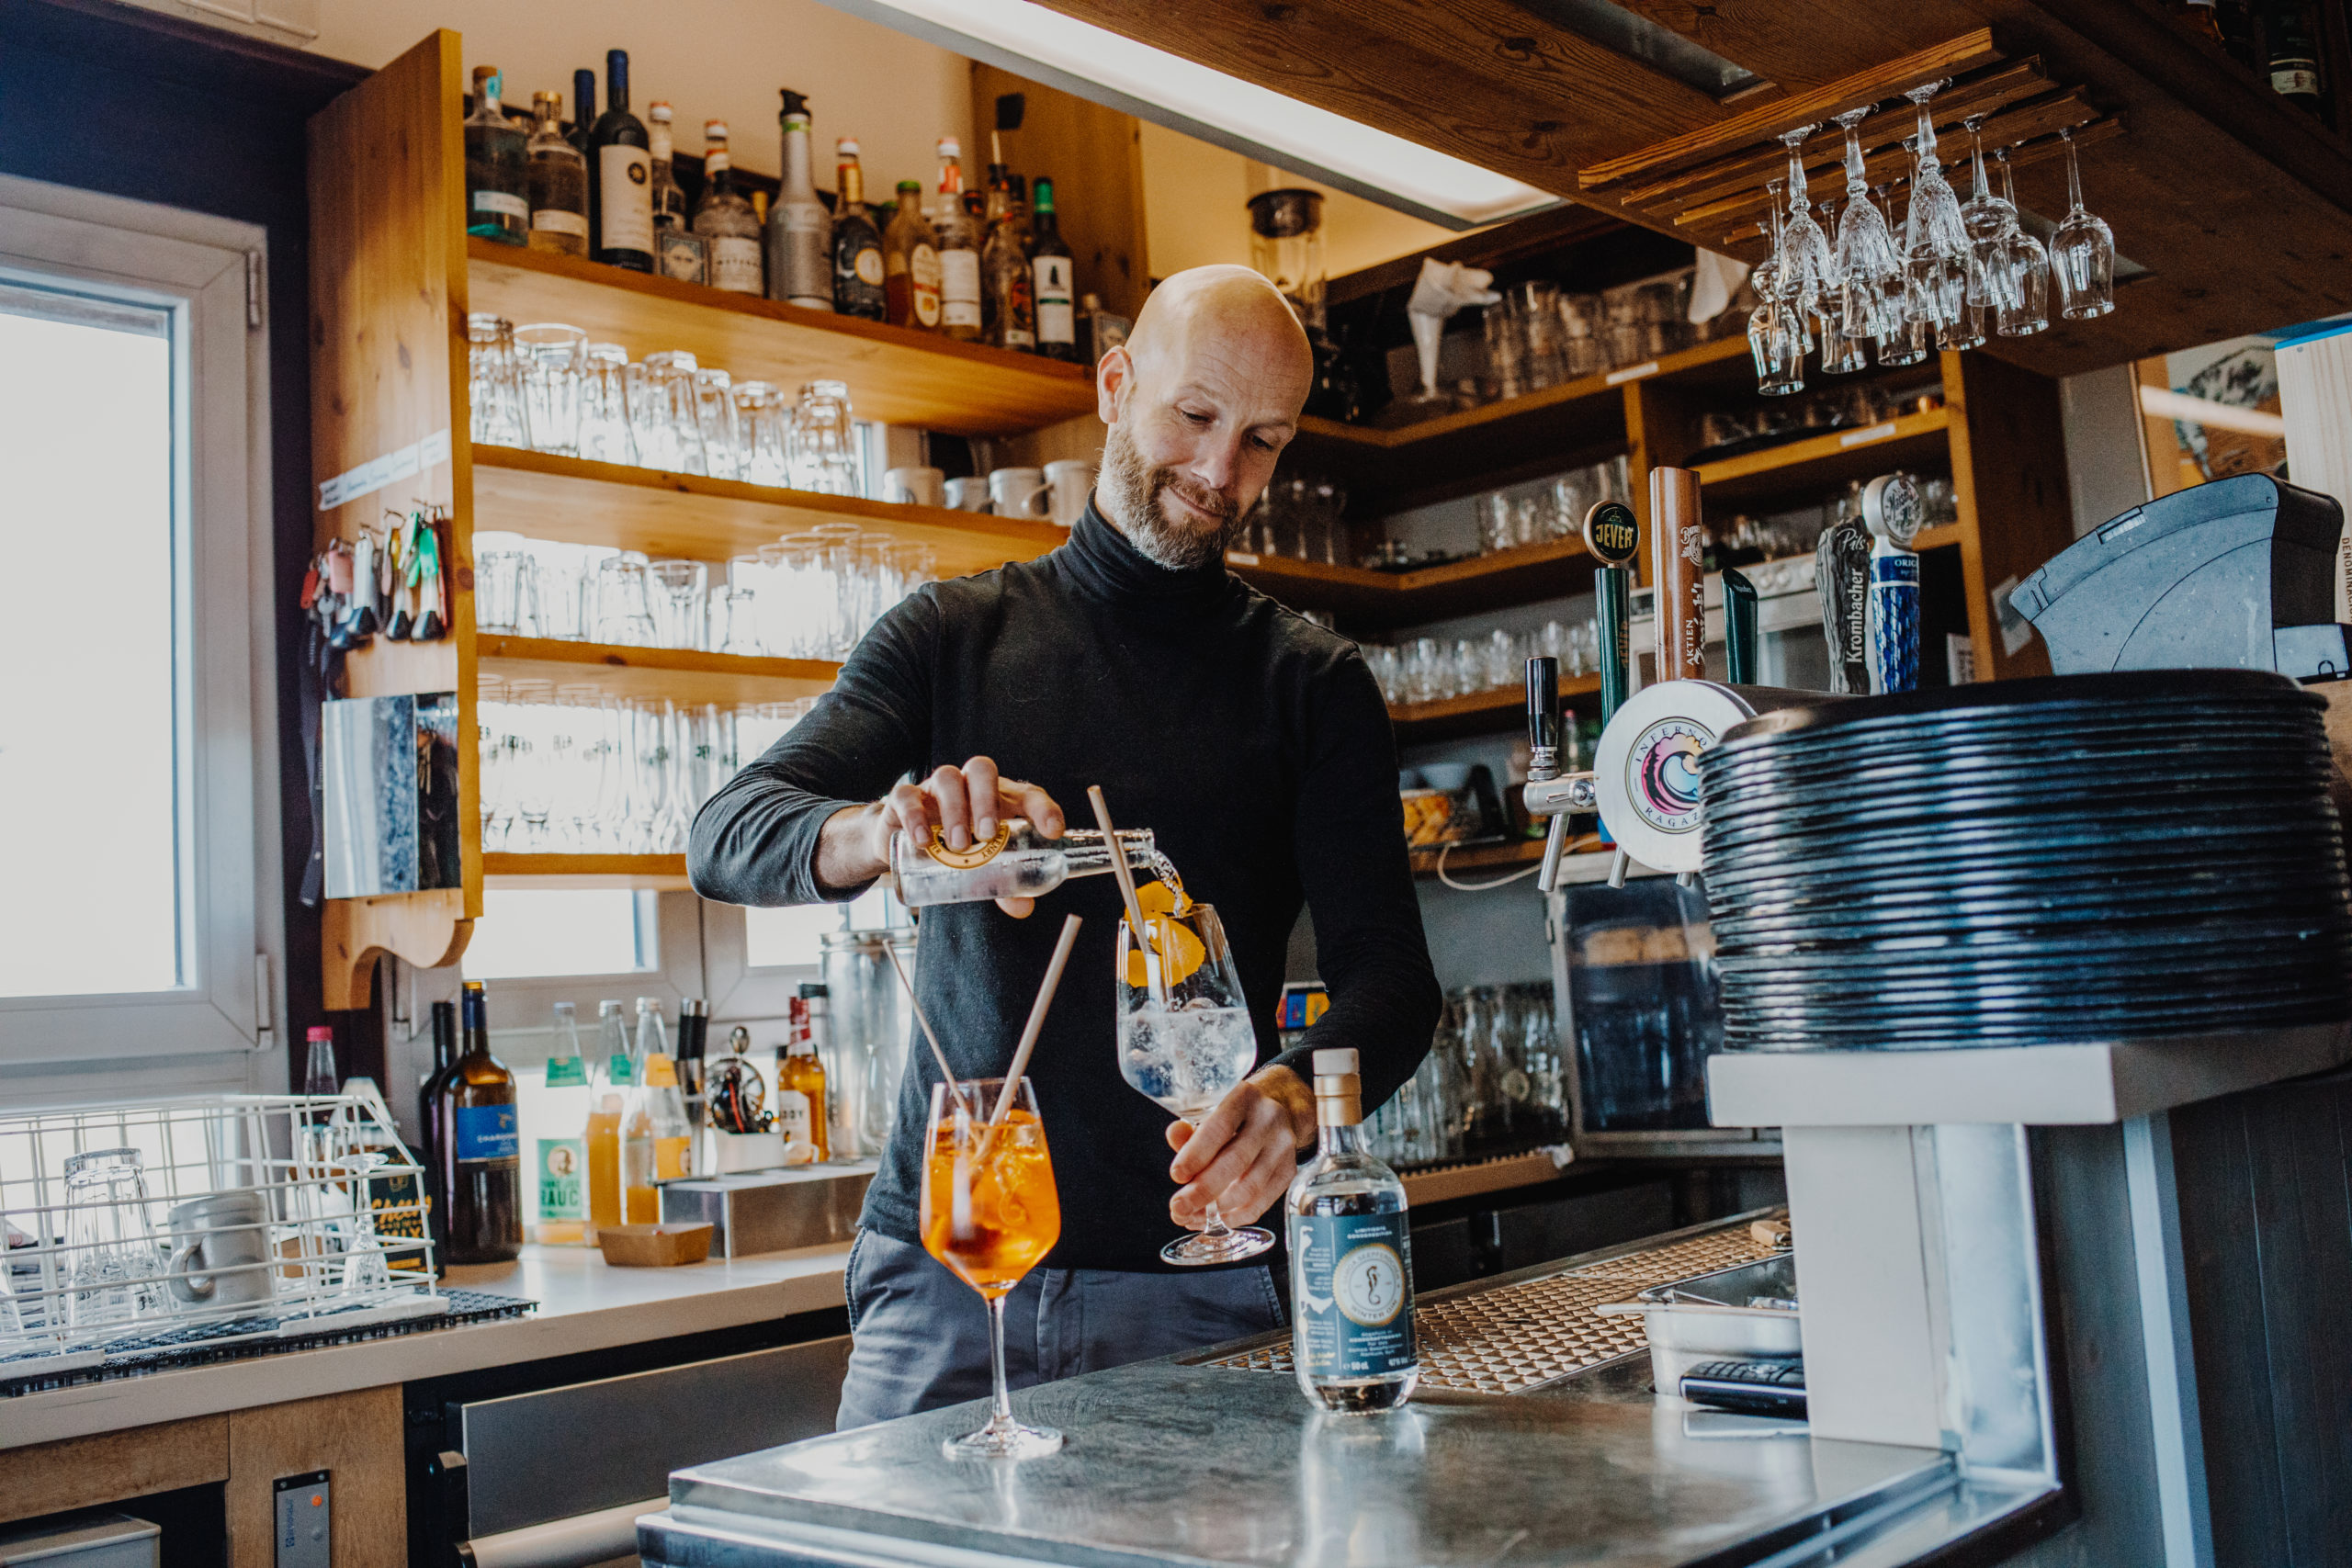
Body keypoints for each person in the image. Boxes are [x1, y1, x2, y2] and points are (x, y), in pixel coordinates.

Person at [687, 265, 1441, 1428]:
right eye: (1195, 417)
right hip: (950, 1272)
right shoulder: (951, 636)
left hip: (1195, 1281)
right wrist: (879, 833)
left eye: (1262, 440)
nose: (1218, 472)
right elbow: (727, 833)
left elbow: (1391, 980)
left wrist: (1293, 1100)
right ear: (1114, 383)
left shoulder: (1312, 685)